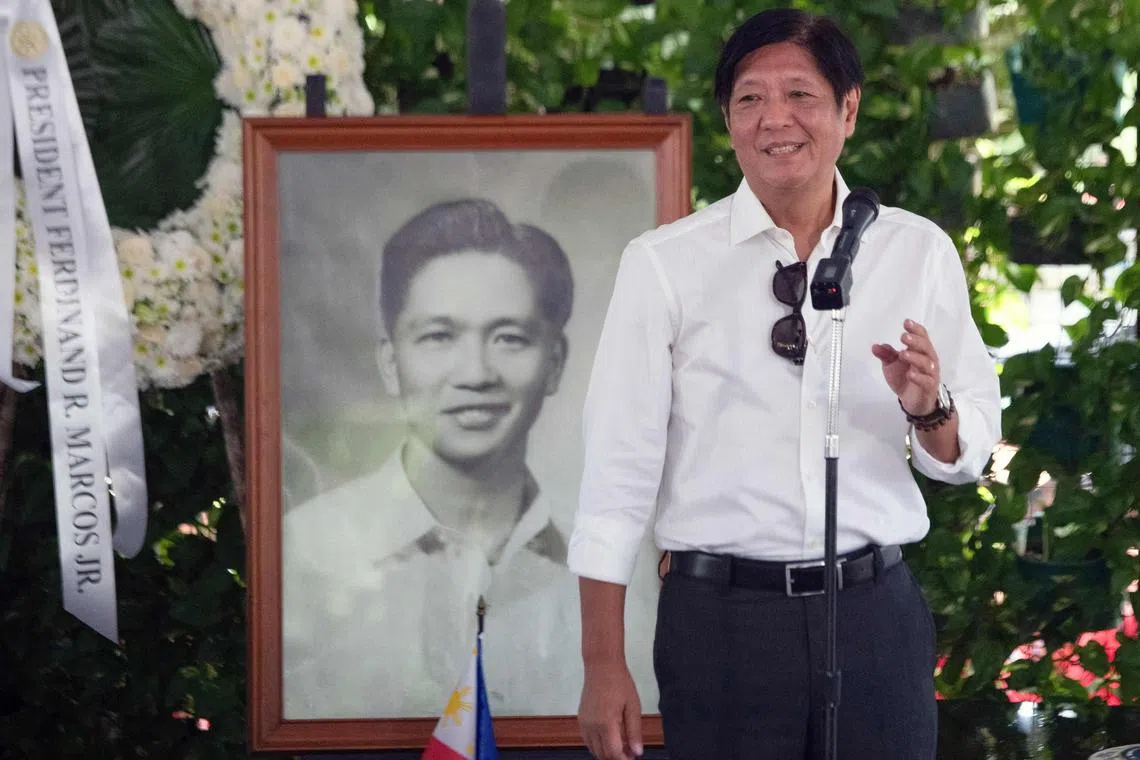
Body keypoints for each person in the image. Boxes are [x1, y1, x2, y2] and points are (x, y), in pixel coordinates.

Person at [568, 8, 1001, 760]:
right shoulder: (665, 264)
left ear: (848, 109)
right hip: (723, 624)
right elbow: (616, 474)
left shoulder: (915, 252)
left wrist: (928, 407)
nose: (775, 120)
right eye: (749, 99)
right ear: (728, 120)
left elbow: (962, 458)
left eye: (800, 95)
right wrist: (602, 663)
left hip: (873, 615)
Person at [281, 199, 657, 719]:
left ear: (554, 364)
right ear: (391, 364)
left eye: (509, 338)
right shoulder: (306, 551)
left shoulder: (628, 570)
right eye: (438, 337)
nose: (476, 374)